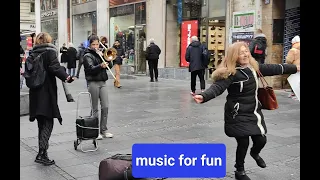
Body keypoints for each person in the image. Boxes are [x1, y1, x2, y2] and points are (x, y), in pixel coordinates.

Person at [193, 42, 299, 180]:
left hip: (253, 111)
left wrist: (295, 68)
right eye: (240, 53)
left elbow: (275, 68)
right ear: (233, 56)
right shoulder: (231, 73)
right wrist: (204, 96)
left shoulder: (254, 68)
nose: (245, 54)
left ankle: (255, 153)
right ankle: (239, 171)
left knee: (261, 139)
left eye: (246, 51)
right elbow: (217, 87)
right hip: (237, 113)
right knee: (243, 142)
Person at [27, 32, 75, 166]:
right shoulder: (49, 52)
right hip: (46, 93)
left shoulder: (32, 54)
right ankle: (41, 154)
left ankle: (43, 152)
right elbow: (55, 68)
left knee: (41, 124)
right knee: (48, 124)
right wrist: (67, 77)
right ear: (48, 41)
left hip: (35, 94)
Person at [83, 35, 114, 140]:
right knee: (95, 108)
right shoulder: (87, 55)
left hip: (102, 82)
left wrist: (106, 58)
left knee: (105, 106)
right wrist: (100, 66)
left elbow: (110, 66)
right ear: (90, 44)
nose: (96, 46)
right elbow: (90, 69)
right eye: (93, 44)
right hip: (93, 83)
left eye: (97, 44)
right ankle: (95, 131)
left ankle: (104, 129)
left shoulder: (101, 53)